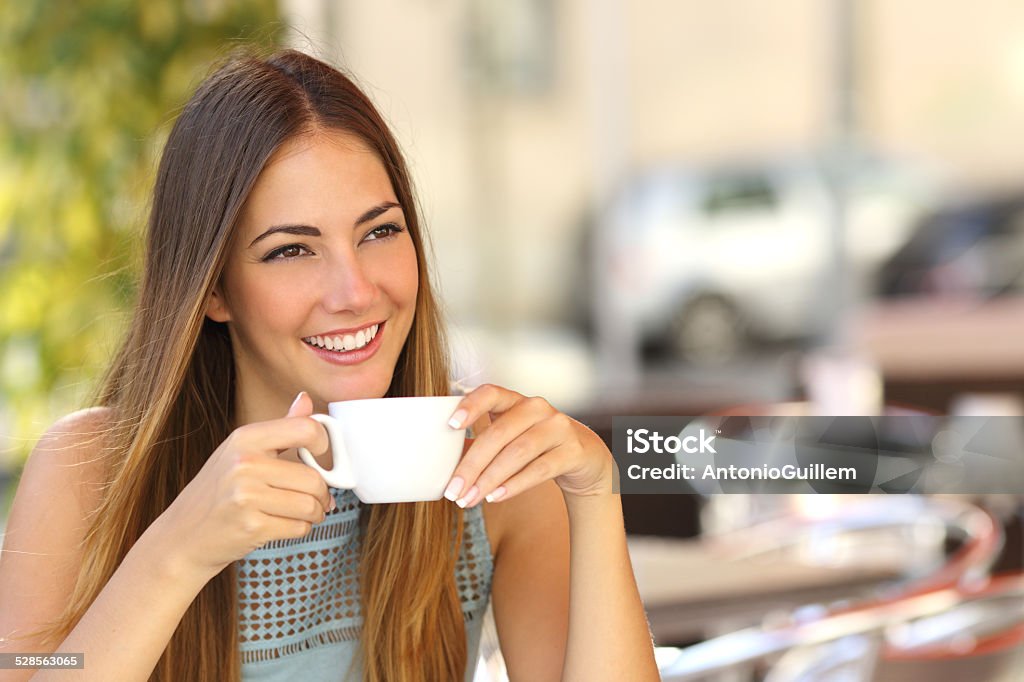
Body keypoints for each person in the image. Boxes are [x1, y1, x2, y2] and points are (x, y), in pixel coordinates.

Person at [0, 49, 659, 682]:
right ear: (214, 290)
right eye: (291, 250)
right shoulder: (90, 473)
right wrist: (174, 554)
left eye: (379, 232)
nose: (355, 291)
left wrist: (595, 493)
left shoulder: (486, 473)